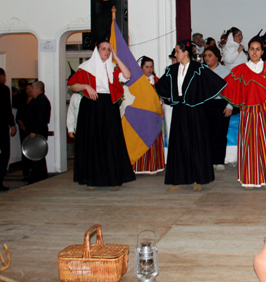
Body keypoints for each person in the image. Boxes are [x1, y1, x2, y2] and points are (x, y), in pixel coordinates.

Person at [220, 32, 266, 190]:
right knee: (249, 144)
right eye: (252, 49)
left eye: (258, 49)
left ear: (262, 51)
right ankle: (249, 179)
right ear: (248, 50)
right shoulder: (241, 69)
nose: (254, 52)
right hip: (248, 110)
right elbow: (226, 85)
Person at [155, 39, 226, 191]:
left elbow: (215, 83)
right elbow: (161, 85)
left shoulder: (198, 68)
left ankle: (197, 179)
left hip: (195, 110)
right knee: (179, 143)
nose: (175, 54)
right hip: (180, 110)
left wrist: (200, 97)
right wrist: (169, 97)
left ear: (185, 52)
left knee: (196, 143)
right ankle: (179, 179)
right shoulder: (172, 69)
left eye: (177, 51)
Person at [67, 40, 135, 190]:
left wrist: (116, 57)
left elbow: (128, 75)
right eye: (104, 49)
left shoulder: (113, 67)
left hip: (108, 105)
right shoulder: (85, 67)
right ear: (97, 50)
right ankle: (93, 179)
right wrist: (86, 86)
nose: (106, 52)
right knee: (93, 142)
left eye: (109, 49)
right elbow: (73, 86)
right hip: (91, 105)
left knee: (111, 141)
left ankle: (114, 179)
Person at [201, 46, 233, 171]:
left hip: (221, 104)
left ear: (216, 57)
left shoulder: (225, 71)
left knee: (220, 133)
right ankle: (208, 161)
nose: (207, 58)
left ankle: (219, 160)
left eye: (210, 55)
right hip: (205, 105)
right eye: (205, 56)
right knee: (206, 134)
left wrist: (230, 106)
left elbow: (232, 91)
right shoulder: (202, 71)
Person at [132, 56, 165, 174]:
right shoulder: (136, 82)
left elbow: (163, 96)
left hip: (154, 116)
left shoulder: (156, 80)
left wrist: (162, 104)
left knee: (153, 140)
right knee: (140, 140)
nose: (149, 69)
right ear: (141, 68)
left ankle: (153, 166)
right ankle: (138, 167)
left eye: (151, 67)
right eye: (146, 67)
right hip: (141, 116)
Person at [22, 81, 51, 184]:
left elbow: (41, 118)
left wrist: (34, 131)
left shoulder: (41, 101)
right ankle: (38, 174)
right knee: (36, 155)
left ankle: (38, 176)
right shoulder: (37, 100)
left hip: (37, 132)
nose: (30, 90)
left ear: (38, 89)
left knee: (37, 154)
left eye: (32, 88)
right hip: (35, 131)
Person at [0, 68, 17, 192]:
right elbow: (6, 109)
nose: (5, 79)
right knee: (5, 153)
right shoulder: (4, 90)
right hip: (1, 126)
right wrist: (12, 124)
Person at [15, 82, 33, 180]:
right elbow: (18, 115)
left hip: (31, 130)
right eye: (27, 89)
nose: (28, 91)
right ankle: (25, 172)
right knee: (24, 150)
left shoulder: (35, 101)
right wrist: (21, 124)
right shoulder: (23, 101)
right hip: (23, 130)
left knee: (32, 150)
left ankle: (32, 171)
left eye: (30, 89)